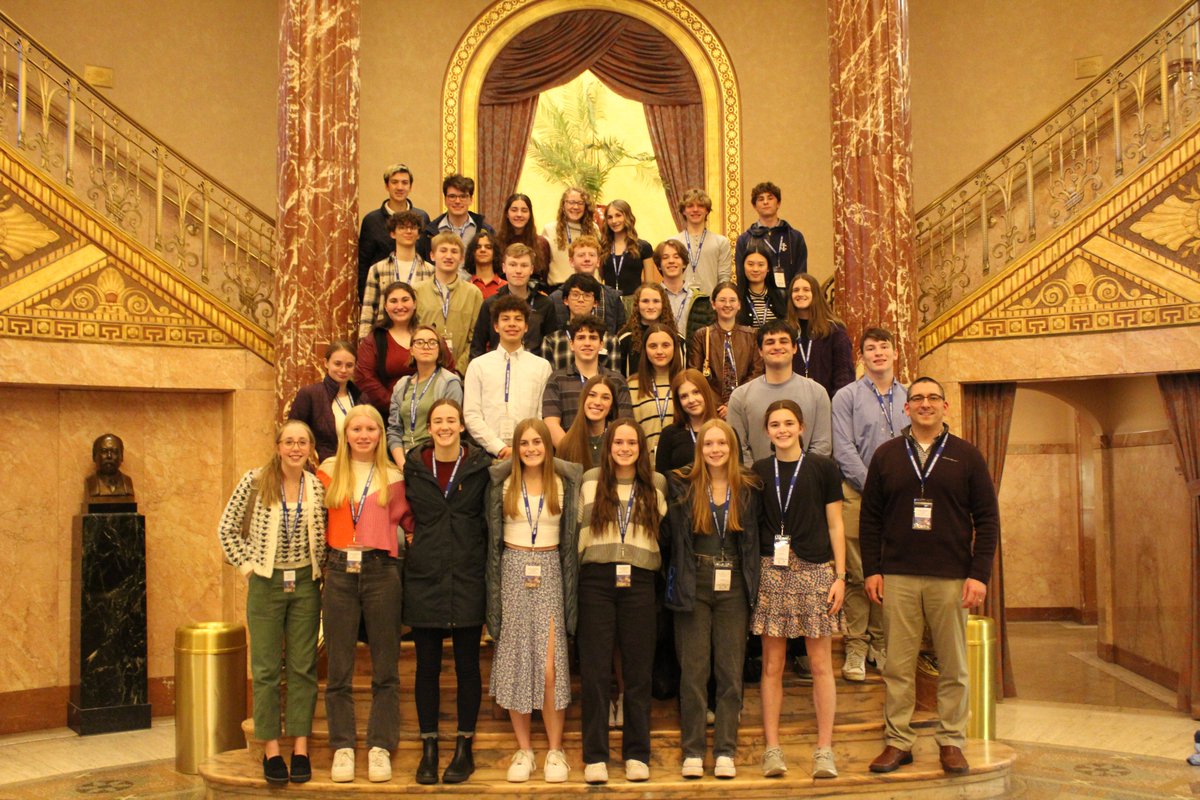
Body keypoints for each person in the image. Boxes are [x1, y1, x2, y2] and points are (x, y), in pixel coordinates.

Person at [860, 377, 999, 777]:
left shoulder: (967, 456)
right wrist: (872, 569)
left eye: (932, 398)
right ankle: (898, 742)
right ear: (906, 408)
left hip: (951, 576)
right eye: (916, 398)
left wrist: (979, 574)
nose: (924, 404)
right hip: (899, 575)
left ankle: (952, 740)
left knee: (953, 665)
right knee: (898, 666)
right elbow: (870, 519)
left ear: (945, 407)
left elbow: (987, 519)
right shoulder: (886, 455)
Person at [218, 420, 326, 786]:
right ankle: (271, 749)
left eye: (302, 442)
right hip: (266, 583)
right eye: (289, 441)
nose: (295, 448)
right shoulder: (254, 481)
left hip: (306, 586)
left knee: (302, 667)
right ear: (278, 446)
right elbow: (226, 529)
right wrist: (249, 569)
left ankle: (300, 746)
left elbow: (324, 534)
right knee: (265, 670)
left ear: (310, 448)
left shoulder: (316, 486)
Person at [751, 400, 845, 779]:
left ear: (802, 427)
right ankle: (772, 749)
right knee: (772, 665)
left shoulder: (824, 467)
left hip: (816, 571)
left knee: (821, 665)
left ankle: (825, 750)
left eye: (789, 423)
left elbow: (836, 524)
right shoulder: (759, 472)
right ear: (767, 431)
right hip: (772, 573)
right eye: (775, 424)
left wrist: (841, 576)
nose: (783, 429)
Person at [318, 406, 412, 784]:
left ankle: (379, 747)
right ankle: (343, 746)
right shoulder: (326, 471)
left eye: (370, 428)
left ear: (380, 434)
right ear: (346, 433)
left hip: (381, 572)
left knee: (385, 669)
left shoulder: (394, 476)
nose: (363, 434)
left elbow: (412, 524)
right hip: (339, 572)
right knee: (338, 669)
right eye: (356, 428)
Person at [485, 419, 583, 783]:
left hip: (549, 568)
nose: (530, 449)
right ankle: (524, 750)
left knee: (549, 667)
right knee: (515, 662)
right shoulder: (502, 484)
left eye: (537, 442)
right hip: (512, 567)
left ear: (548, 446)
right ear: (516, 447)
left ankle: (555, 751)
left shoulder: (563, 483)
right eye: (524, 443)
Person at [402, 398, 494, 785]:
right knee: (426, 668)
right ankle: (428, 749)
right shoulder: (413, 468)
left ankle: (464, 748)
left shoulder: (480, 468)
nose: (444, 426)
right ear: (430, 426)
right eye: (437, 420)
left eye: (450, 420)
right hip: (425, 577)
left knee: (468, 668)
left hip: (468, 576)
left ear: (461, 427)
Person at [664, 419, 761, 780]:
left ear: (732, 448)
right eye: (708, 444)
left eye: (722, 443)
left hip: (734, 583)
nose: (715, 449)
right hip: (695, 581)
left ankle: (725, 750)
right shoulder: (684, 486)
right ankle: (692, 751)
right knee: (693, 670)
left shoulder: (748, 487)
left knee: (730, 672)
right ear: (699, 449)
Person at [577, 420, 668, 785]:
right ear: (608, 445)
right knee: (596, 671)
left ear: (641, 447)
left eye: (632, 442)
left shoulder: (656, 483)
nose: (625, 448)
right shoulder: (588, 480)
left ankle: (636, 754)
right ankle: (595, 756)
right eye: (619, 441)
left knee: (637, 672)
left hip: (640, 581)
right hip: (596, 581)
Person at [831, 327, 909, 682]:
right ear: (860, 357)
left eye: (884, 347)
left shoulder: (910, 397)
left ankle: (881, 643)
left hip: (902, 498)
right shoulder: (846, 396)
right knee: (859, 572)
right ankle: (857, 645)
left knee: (890, 571)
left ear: (895, 353)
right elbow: (843, 448)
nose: (878, 353)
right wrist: (875, 486)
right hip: (857, 492)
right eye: (870, 348)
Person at [728, 319, 832, 463]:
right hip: (758, 482)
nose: (777, 347)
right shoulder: (740, 397)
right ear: (760, 351)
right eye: (770, 342)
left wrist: (804, 475)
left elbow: (822, 445)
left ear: (794, 348)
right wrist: (757, 479)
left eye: (783, 341)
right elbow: (739, 449)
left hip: (806, 480)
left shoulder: (817, 393)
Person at [463, 296, 552, 459]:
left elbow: (541, 414)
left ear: (526, 327)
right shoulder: (478, 366)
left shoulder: (542, 366)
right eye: (505, 319)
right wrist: (499, 448)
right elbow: (471, 415)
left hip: (529, 453)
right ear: (496, 326)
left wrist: (526, 446)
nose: (512, 324)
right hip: (486, 453)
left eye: (518, 319)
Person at [542, 316, 633, 445]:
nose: (587, 343)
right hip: (569, 458)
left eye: (593, 338)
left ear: (601, 345)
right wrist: (572, 454)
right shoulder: (557, 379)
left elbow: (625, 424)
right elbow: (551, 423)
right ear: (571, 344)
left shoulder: (617, 380)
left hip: (607, 457)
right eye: (581, 337)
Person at [386, 325, 463, 464]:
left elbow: (451, 429)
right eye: (419, 342)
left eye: (432, 342)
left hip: (434, 458)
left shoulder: (449, 382)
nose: (426, 347)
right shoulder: (402, 385)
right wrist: (403, 465)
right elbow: (394, 430)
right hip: (402, 458)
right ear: (411, 351)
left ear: (439, 350)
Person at [688, 281, 762, 419]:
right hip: (712, 410)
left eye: (732, 300)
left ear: (739, 305)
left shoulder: (752, 335)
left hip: (745, 407)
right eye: (722, 300)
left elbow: (756, 373)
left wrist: (733, 403)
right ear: (713, 304)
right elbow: (695, 375)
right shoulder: (702, 335)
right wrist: (717, 406)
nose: (727, 305)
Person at [357, 163, 430, 301]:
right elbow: (363, 264)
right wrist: (364, 297)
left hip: (418, 293)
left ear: (410, 187)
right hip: (382, 294)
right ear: (386, 186)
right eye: (394, 182)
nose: (400, 187)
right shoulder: (372, 220)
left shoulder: (422, 217)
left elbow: (426, 256)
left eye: (404, 183)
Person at [470, 243, 556, 359]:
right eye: (513, 265)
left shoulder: (545, 304)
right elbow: (477, 347)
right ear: (504, 268)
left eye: (524, 265)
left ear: (531, 269)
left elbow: (552, 346)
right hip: (497, 367)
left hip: (534, 370)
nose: (518, 271)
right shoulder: (491, 304)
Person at [358, 211, 435, 337]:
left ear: (419, 234)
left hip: (419, 337)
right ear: (392, 233)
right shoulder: (377, 269)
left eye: (413, 227)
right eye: (402, 227)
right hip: (385, 337)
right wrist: (364, 343)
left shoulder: (431, 271)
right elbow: (368, 311)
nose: (408, 231)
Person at [414, 232, 484, 370]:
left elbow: (476, 338)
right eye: (443, 250)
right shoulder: (417, 291)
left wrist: (458, 370)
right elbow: (411, 332)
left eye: (454, 251)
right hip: (423, 370)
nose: (448, 256)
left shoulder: (473, 293)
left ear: (462, 258)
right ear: (432, 255)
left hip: (461, 374)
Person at [355, 282, 424, 419]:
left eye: (405, 300)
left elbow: (446, 367)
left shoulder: (427, 335)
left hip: (427, 415)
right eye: (393, 301)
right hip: (388, 416)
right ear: (385, 307)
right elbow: (365, 378)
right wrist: (396, 406)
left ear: (415, 303)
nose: (400, 306)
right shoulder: (375, 339)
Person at [288, 340, 361, 463]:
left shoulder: (361, 397)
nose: (343, 370)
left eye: (349, 365)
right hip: (322, 467)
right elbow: (292, 433)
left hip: (356, 464)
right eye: (338, 364)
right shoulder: (310, 394)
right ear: (326, 363)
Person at [786, 272, 854, 398]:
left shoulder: (835, 331)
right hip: (791, 404)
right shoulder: (785, 331)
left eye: (806, 290)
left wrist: (836, 405)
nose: (800, 294)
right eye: (796, 290)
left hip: (826, 404)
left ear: (815, 294)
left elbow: (844, 374)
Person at [734, 180, 807, 290]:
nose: (765, 202)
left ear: (778, 203)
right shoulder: (745, 239)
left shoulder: (795, 237)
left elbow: (801, 273)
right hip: (757, 300)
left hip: (788, 300)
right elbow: (741, 275)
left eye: (770, 198)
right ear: (754, 206)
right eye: (761, 199)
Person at [548, 236, 627, 334]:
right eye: (581, 255)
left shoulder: (612, 297)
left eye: (592, 255)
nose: (587, 259)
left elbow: (620, 332)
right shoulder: (555, 298)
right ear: (571, 261)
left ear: (598, 262)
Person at [540, 274, 620, 371]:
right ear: (565, 300)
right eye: (575, 295)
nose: (581, 300)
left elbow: (614, 380)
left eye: (587, 295)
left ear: (596, 302)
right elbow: (549, 381)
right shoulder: (552, 341)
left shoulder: (609, 340)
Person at [627, 322, 683, 459]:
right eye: (653, 346)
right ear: (645, 350)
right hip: (643, 464)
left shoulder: (686, 383)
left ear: (675, 348)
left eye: (665, 345)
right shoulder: (632, 385)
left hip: (679, 466)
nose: (659, 351)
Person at [655, 368, 719, 474]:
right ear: (678, 401)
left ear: (706, 393)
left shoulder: (725, 432)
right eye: (684, 396)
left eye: (696, 392)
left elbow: (736, 474)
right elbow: (661, 480)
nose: (691, 400)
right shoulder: (669, 435)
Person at [671, 188, 731, 297]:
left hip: (711, 304)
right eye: (690, 206)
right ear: (683, 211)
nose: (695, 210)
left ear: (707, 210)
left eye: (700, 206)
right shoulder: (672, 243)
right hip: (680, 304)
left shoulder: (721, 242)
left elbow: (724, 277)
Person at [418, 174, 494, 260]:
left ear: (471, 200)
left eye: (463, 196)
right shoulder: (430, 233)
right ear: (445, 200)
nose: (457, 201)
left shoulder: (485, 231)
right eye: (452, 196)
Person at [556, 374, 623, 470]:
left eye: (605, 397)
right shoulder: (566, 445)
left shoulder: (620, 442)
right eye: (592, 395)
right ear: (583, 399)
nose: (597, 402)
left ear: (612, 406)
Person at [616, 283, 680, 377]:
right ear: (637, 305)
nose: (650, 306)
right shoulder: (624, 339)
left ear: (664, 304)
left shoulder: (677, 339)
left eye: (656, 301)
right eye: (645, 301)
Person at [655, 239, 713, 342]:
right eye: (665, 257)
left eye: (676, 257)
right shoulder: (653, 297)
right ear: (659, 265)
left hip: (694, 354)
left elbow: (710, 333)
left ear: (684, 263)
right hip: (662, 353)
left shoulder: (700, 299)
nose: (671, 261)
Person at [599, 199, 656, 304]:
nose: (614, 221)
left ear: (627, 217)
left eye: (618, 215)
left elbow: (649, 284)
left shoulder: (644, 247)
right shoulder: (602, 247)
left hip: (634, 303)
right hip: (609, 302)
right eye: (610, 217)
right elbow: (598, 279)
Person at [543, 186, 599, 289]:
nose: (576, 207)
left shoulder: (594, 229)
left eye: (580, 203)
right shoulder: (549, 229)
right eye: (571, 202)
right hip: (559, 289)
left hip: (589, 287)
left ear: (586, 206)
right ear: (563, 204)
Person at [495, 192, 551, 283]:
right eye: (514, 210)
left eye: (524, 210)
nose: (519, 214)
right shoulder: (495, 243)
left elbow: (545, 277)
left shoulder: (542, 243)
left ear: (530, 215)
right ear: (507, 214)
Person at [736, 240, 787, 329]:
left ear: (768, 268)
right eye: (750, 264)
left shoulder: (781, 296)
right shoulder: (736, 297)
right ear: (743, 266)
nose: (755, 269)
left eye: (761, 265)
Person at [463, 229, 506, 299]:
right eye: (478, 247)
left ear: (495, 253)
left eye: (488, 247)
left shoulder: (506, 287)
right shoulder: (464, 286)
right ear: (472, 253)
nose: (483, 250)